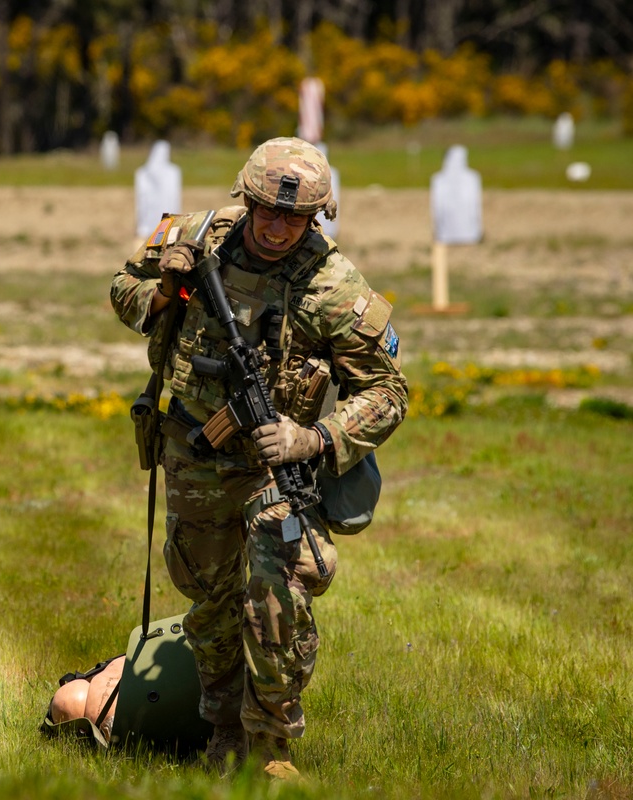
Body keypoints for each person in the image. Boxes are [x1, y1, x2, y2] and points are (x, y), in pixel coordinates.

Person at [110, 137, 408, 779]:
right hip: (195, 447)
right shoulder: (193, 236)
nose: (276, 228)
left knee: (278, 589)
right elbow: (121, 291)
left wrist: (316, 438)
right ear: (244, 199)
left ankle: (272, 746)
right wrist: (165, 290)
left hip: (277, 465)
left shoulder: (332, 285)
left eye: (294, 218)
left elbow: (389, 393)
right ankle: (223, 735)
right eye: (265, 211)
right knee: (211, 599)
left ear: (316, 217)